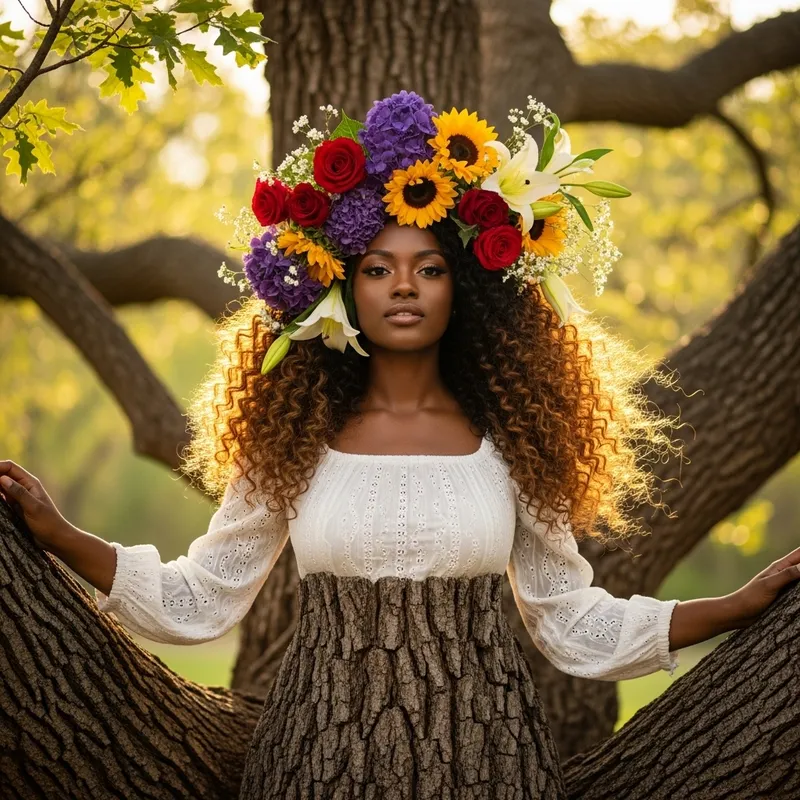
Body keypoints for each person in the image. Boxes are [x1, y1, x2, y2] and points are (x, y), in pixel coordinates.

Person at [2, 92, 799, 799]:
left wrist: (734, 606)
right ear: (346, 285)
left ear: (468, 288)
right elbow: (199, 597)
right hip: (314, 760)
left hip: (492, 761)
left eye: (429, 268)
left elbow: (573, 623)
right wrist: (60, 536)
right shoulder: (293, 443)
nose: (405, 286)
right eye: (379, 268)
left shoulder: (513, 445)